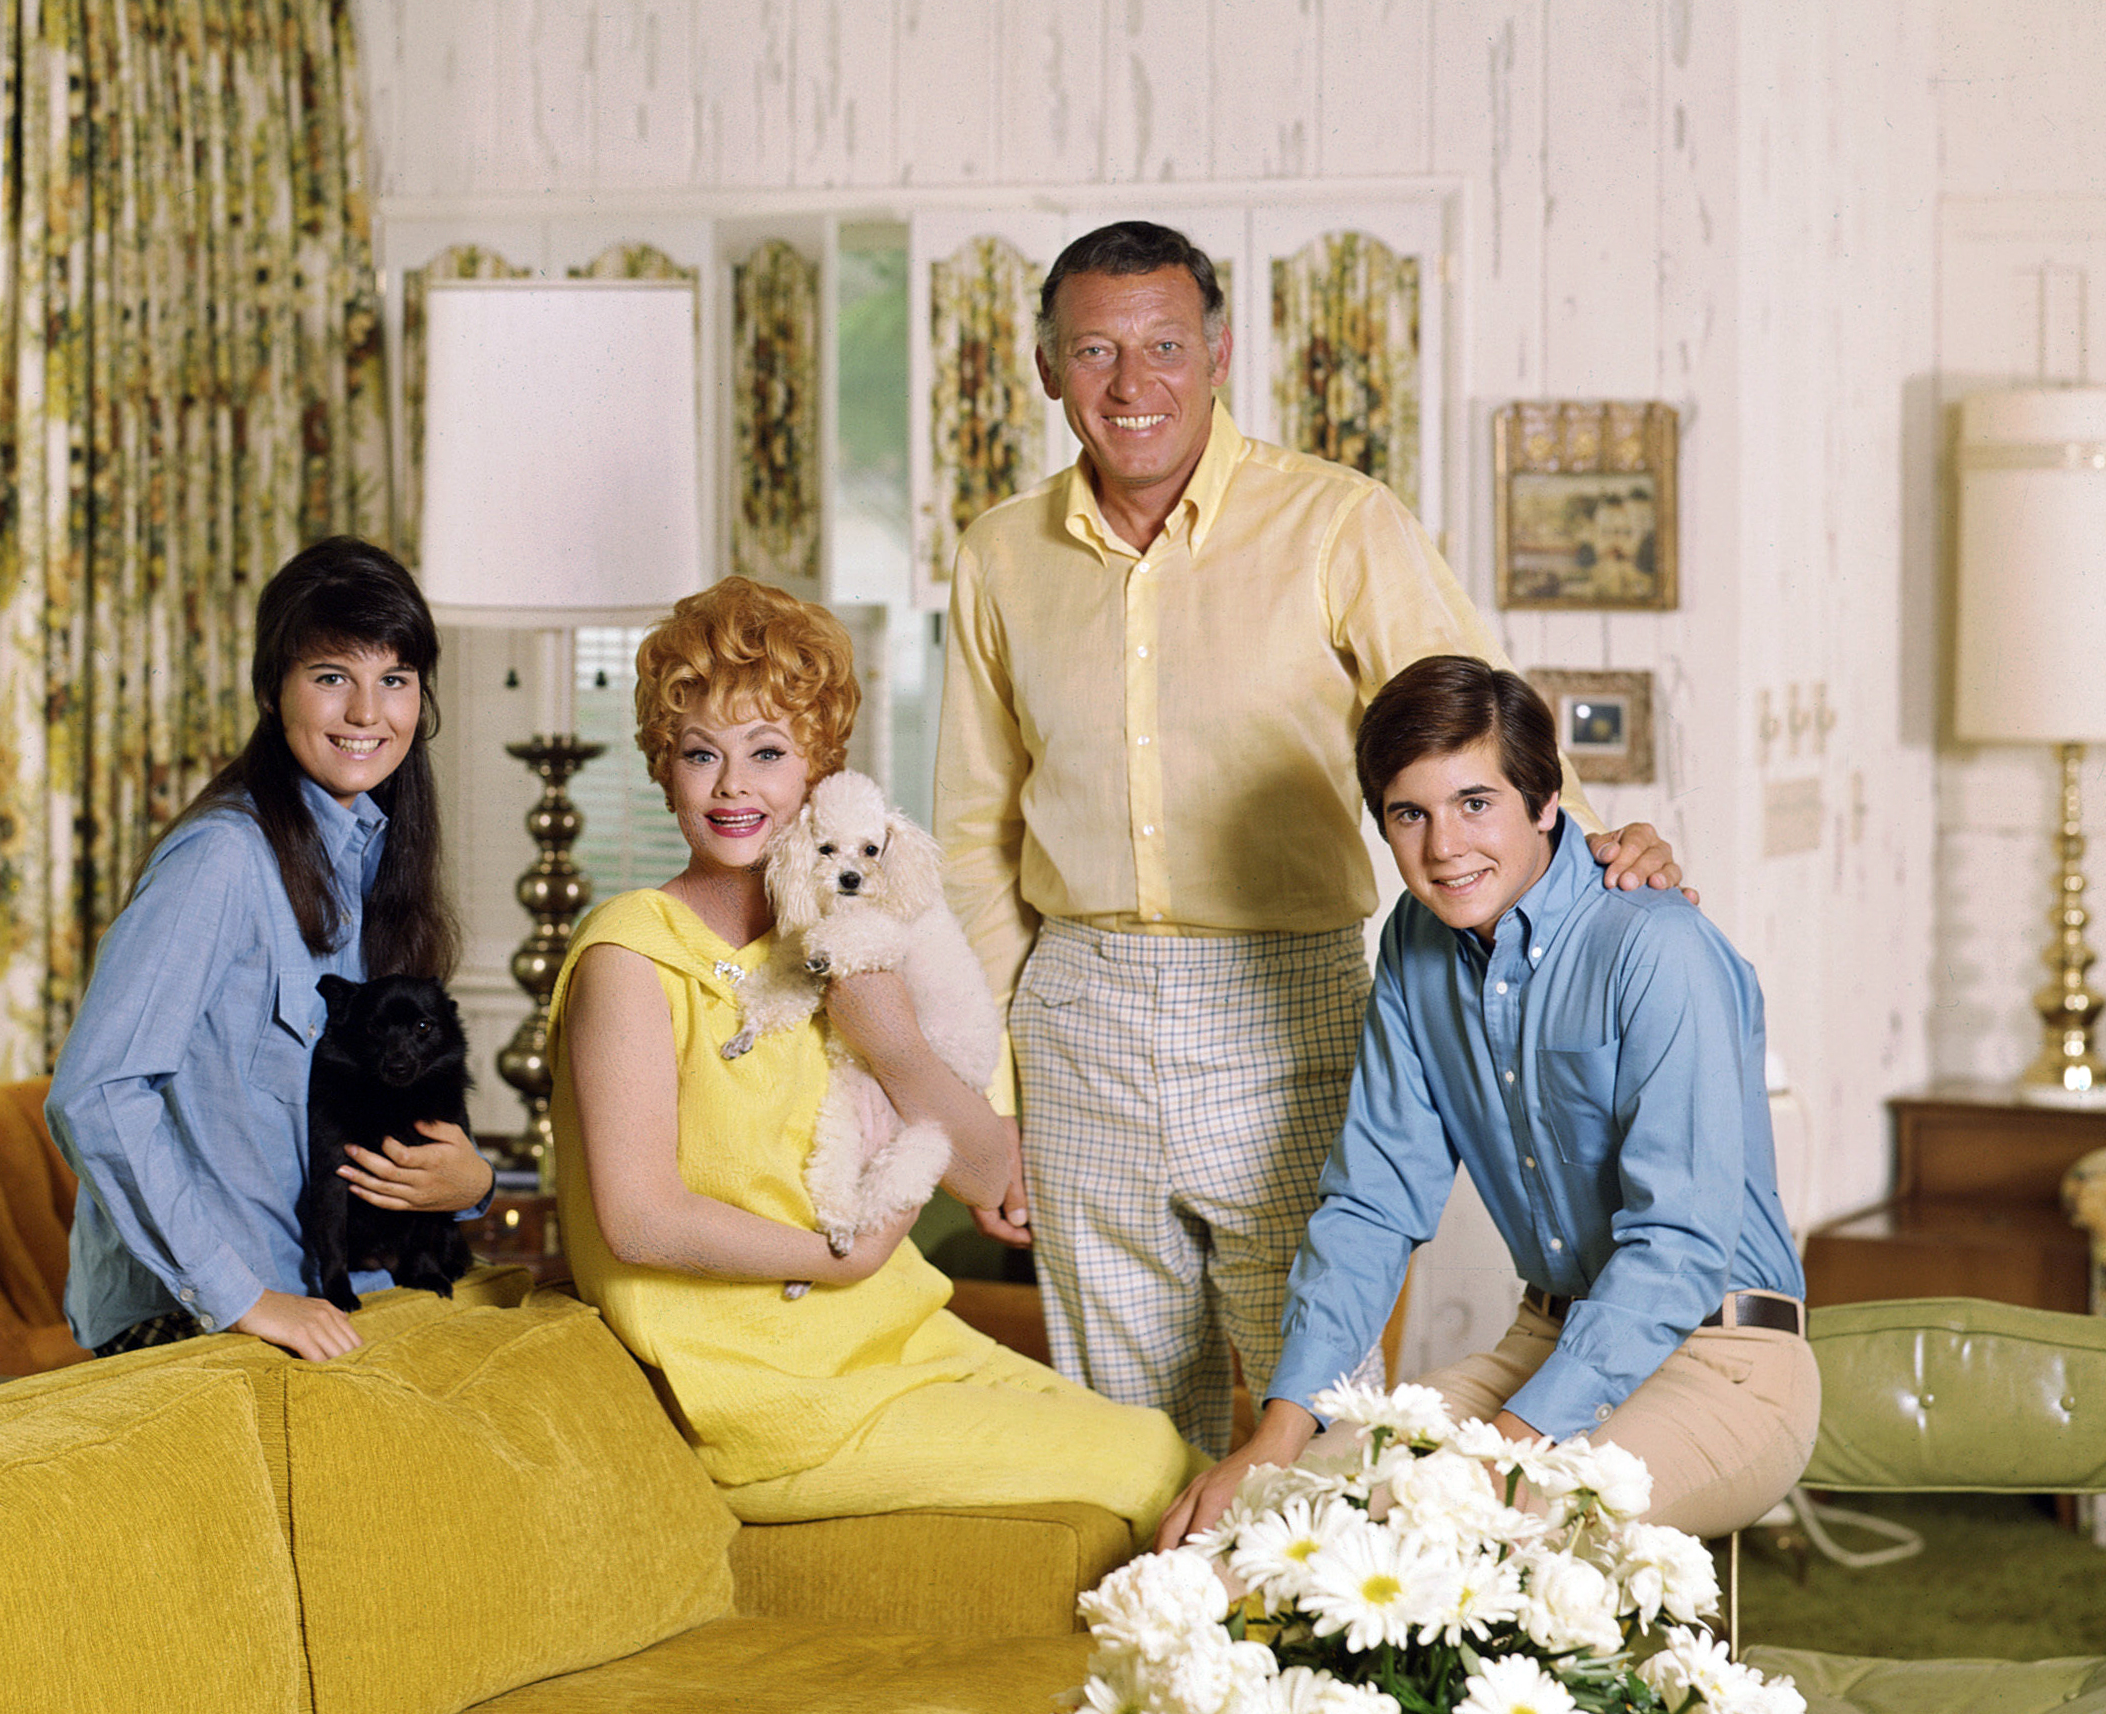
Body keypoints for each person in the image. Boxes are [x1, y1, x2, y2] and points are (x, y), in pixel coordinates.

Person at [936, 218, 1688, 1456]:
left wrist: (1607, 866)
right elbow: (974, 836)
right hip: (1075, 1014)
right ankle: (1146, 1646)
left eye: (1167, 345)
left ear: (1220, 353)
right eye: (1096, 351)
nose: (1135, 385)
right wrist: (993, 1096)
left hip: (1284, 1006)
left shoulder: (1339, 523)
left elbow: (1482, 737)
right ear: (1045, 367)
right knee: (1119, 1431)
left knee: (1324, 1407)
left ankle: (1320, 1645)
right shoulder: (999, 556)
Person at [550, 575, 1203, 1538]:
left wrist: (887, 1035)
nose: (733, 787)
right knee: (1154, 1467)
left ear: (821, 772)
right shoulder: (628, 954)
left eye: (767, 752)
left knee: (1180, 1455)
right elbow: (641, 1222)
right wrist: (842, 1263)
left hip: (902, 1346)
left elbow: (988, 1171)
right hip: (767, 1393)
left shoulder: (858, 929)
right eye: (701, 755)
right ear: (664, 771)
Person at [1159, 657, 1818, 1544]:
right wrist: (1275, 1436)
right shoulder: (1413, 942)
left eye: (1475, 804)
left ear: (1546, 803)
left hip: (1725, 1362)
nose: (1442, 848)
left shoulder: (1657, 948)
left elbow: (1678, 1245)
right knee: (1281, 1522)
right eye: (1409, 814)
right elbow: (1371, 1202)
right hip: (1542, 1340)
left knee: (1470, 1531)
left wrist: (1503, 1452)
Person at [47, 537, 494, 1361]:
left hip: (337, 1298)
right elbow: (95, 1093)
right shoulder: (222, 859)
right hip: (203, 1322)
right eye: (332, 678)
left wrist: (471, 1186)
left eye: (392, 680)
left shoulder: (372, 854)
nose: (367, 713)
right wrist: (243, 1297)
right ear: (270, 689)